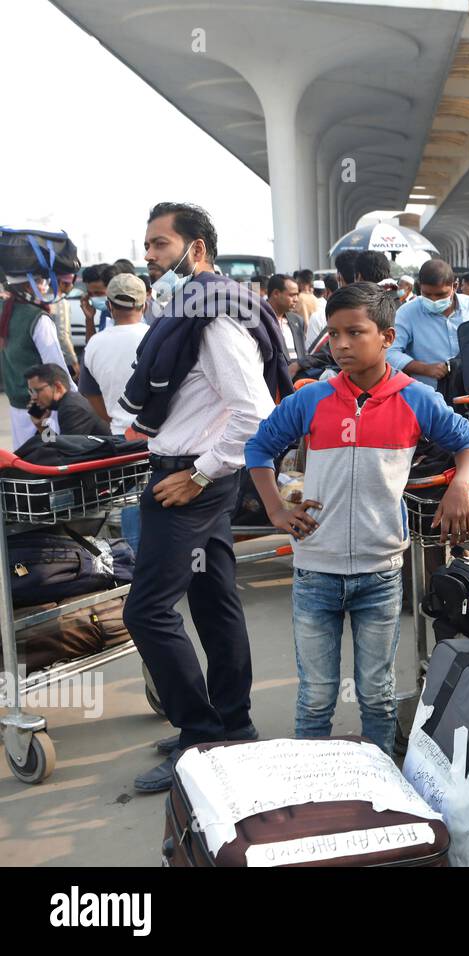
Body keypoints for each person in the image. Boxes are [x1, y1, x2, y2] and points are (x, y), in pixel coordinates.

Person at [245, 282, 469, 755]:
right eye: (333, 335)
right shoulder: (311, 400)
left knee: (376, 695)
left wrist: (460, 485)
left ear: (388, 337)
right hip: (315, 569)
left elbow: (468, 441)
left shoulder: (416, 399)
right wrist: (275, 508)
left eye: (355, 332)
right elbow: (259, 447)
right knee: (316, 697)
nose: (341, 345)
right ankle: (311, 786)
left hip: (380, 573)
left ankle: (380, 787)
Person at [123, 201, 292, 794]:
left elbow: (256, 415)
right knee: (214, 599)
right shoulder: (195, 307)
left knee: (146, 611)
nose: (149, 256)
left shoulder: (213, 314)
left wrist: (197, 473)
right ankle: (231, 725)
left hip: (189, 486)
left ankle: (201, 736)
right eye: (146, 246)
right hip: (196, 478)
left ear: (196, 249)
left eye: (160, 245)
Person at [388, 257, 469, 390]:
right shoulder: (407, 313)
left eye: (441, 295)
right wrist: (425, 369)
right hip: (427, 393)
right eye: (427, 294)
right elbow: (390, 352)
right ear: (419, 288)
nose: (434, 300)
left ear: (455, 287)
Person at [1, 276, 74, 447]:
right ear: (28, 286)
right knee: (52, 449)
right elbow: (57, 368)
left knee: (24, 457)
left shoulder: (5, 309)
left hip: (17, 402)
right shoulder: (38, 318)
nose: (45, 287)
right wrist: (75, 397)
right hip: (42, 406)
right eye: (41, 281)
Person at [81, 272, 151, 433]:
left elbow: (90, 393)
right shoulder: (156, 337)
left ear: (109, 306)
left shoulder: (93, 343)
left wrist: (114, 418)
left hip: (120, 434)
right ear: (144, 306)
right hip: (158, 436)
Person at [25, 363, 109, 438]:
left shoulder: (72, 408)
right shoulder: (68, 402)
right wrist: (41, 426)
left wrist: (43, 428)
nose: (33, 397)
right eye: (31, 392)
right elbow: (60, 447)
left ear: (58, 387)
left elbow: (63, 452)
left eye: (36, 391)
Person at [266, 273, 305, 368]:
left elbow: (303, 353)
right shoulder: (260, 320)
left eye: (297, 295)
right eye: (292, 295)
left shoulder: (297, 320)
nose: (296, 299)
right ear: (276, 293)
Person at [50, 272, 81, 375]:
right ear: (62, 284)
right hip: (59, 358)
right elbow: (62, 335)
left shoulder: (42, 299)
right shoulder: (60, 302)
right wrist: (74, 361)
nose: (72, 286)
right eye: (71, 283)